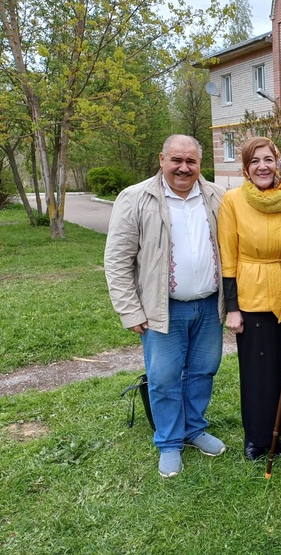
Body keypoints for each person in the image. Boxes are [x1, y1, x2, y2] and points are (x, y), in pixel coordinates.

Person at [105, 134, 227, 478]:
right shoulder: (135, 198)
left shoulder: (217, 196)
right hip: (163, 309)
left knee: (204, 371)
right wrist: (129, 310)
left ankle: (194, 429)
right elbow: (117, 260)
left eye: (191, 161)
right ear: (162, 160)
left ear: (200, 164)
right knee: (164, 377)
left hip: (208, 306)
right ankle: (170, 442)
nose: (184, 168)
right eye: (177, 160)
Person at [217, 137, 281, 461]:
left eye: (268, 159)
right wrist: (233, 308)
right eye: (255, 161)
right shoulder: (233, 200)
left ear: (278, 162)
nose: (262, 166)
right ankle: (257, 437)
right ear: (245, 168)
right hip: (250, 293)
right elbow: (228, 255)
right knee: (257, 371)